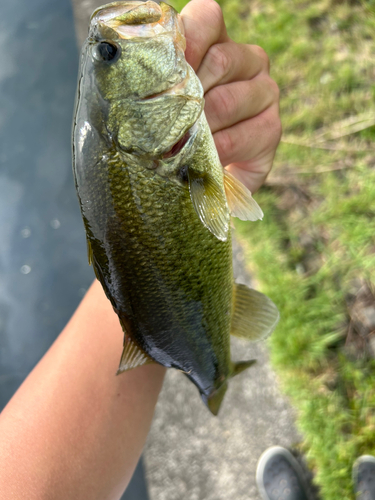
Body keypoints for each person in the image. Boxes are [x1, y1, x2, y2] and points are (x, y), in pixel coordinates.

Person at [0, 0, 347, 499]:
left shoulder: (155, 151)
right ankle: (216, 379)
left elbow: (141, 255)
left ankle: (214, 378)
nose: (113, 38)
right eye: (109, 54)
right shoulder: (154, 150)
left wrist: (228, 182)